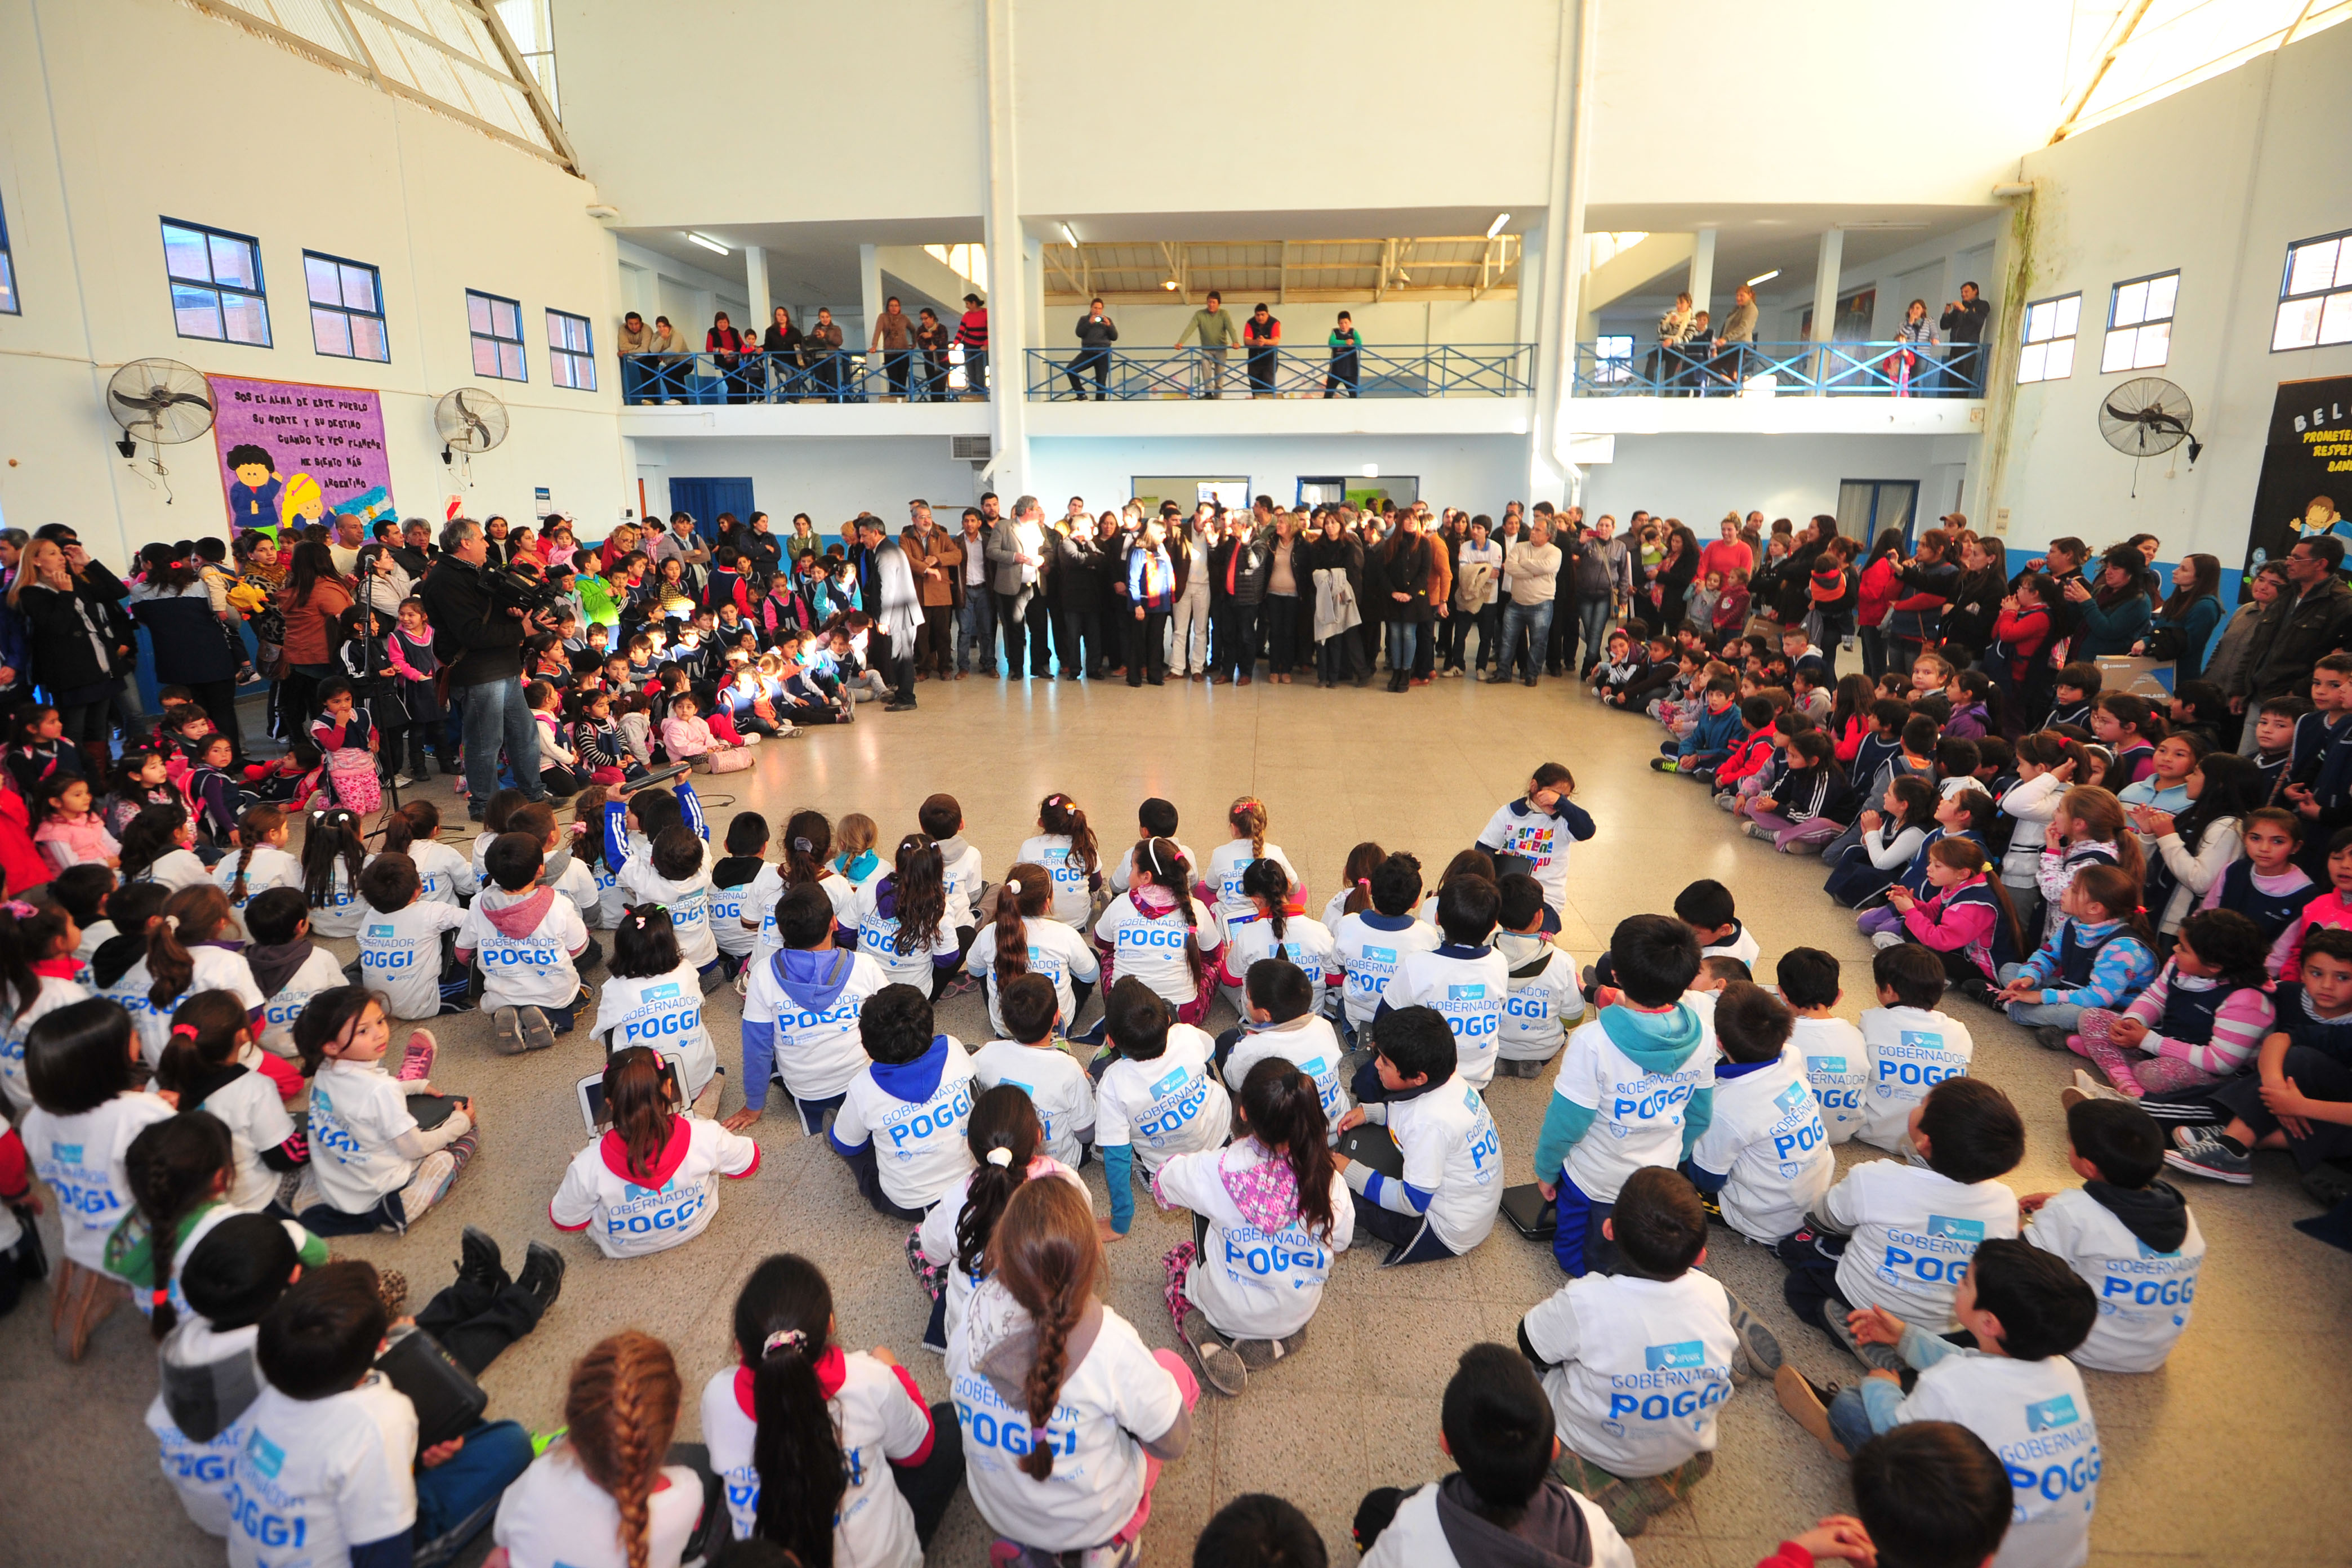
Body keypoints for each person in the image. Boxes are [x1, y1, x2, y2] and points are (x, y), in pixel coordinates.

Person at [1775, 1240, 2100, 1568]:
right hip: (2063, 1559)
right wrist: (1906, 1337)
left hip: (1960, 1552)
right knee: (1919, 1387)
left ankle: (1840, 1434)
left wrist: (1879, 1388)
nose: (1958, 1281)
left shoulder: (1949, 1384)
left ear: (1988, 1323)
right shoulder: (2064, 1370)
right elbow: (1971, 1362)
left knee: (1852, 1405)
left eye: (1966, 1281)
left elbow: (1897, 1442)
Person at [947, 1177, 1197, 1562]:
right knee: (1173, 1370)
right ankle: (1108, 1543)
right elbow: (1173, 1442)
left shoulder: (970, 1316)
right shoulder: (1111, 1343)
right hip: (1092, 1517)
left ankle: (1031, 1549)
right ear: (1090, 1262)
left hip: (1000, 1509)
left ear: (1002, 1253)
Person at [1516, 1166, 1738, 1538]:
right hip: (1685, 1446)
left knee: (1527, 1370)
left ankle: (1582, 1476)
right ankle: (1660, 1479)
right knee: (1700, 1448)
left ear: (1609, 1231)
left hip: (1590, 1442)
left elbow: (1528, 1340)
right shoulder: (1715, 1294)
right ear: (1700, 1255)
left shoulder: (1588, 1299)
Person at [703, 1253, 962, 1561]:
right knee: (947, 1422)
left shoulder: (717, 1396)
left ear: (739, 1346)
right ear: (830, 1324)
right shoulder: (868, 1379)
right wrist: (894, 1371)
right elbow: (918, 1451)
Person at [1152, 1055, 1352, 1395]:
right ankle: (1280, 1338)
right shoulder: (1330, 1182)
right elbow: (1343, 1241)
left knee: (1180, 1260)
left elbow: (1163, 1184)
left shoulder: (1214, 1170)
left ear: (1244, 1112)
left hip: (1226, 1309)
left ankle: (1202, 1334)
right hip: (1296, 1308)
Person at [1775, 1076, 2024, 1347]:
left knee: (1799, 1256)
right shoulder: (2005, 1203)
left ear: (1924, 1143)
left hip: (1863, 1300)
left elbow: (1824, 1218)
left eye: (1922, 1104)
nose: (1917, 1106)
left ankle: (1859, 1329)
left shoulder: (1876, 1178)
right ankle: (1919, 1348)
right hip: (1942, 1327)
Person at [1534, 915, 1714, 1276]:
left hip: (1594, 1179)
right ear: (1688, 979)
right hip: (1655, 1181)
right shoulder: (1705, 1037)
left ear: (1614, 974)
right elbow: (1700, 1116)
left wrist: (1546, 1169)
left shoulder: (1593, 1042)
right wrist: (1673, 1157)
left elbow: (1566, 1123)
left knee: (1575, 1251)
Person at [1355, 1343, 1636, 1568]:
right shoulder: (1592, 1524)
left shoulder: (1414, 1524)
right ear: (1554, 1449)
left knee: (1376, 1508)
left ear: (1446, 1444)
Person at [491, 1330, 711, 1568]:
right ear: (675, 1416)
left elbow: (503, 1538)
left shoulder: (540, 1477)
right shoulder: (687, 1492)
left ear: (574, 1433)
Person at [2022, 1095, 2204, 1373]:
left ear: (2089, 1166)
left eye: (2071, 1143)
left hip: (2088, 1347)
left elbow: (2023, 1256)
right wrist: (2067, 1206)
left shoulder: (2071, 1211)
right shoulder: (2183, 1212)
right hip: (2154, 1352)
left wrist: (2005, 1215)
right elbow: (2114, 1227)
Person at [289, 986, 476, 1234]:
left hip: (336, 1180)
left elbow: (365, 1098)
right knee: (461, 1140)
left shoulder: (324, 1070)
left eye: (380, 1021)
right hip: (379, 1186)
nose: (380, 1034)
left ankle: (315, 1193)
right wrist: (460, 1122)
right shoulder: (382, 1090)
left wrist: (414, 1086)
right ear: (331, 1046)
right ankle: (407, 1203)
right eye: (364, 1031)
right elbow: (415, 1147)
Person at [1332, 1004, 1503, 1265]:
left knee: (1333, 1186)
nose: (1376, 1064)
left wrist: (1350, 1172)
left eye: (1386, 1062)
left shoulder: (1429, 1124)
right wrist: (1375, 1113)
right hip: (1471, 1208)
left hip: (1441, 1229)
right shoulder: (1450, 1078)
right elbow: (1409, 1111)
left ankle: (1354, 1225)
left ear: (1419, 1078)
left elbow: (1412, 1203)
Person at [551, 1046, 758, 1258]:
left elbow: (567, 1220)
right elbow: (748, 1164)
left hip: (621, 1247)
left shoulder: (588, 1165)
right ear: (669, 1088)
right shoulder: (706, 1135)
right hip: (695, 1224)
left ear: (610, 1104)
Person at [733, 882, 890, 1134]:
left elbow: (756, 1048)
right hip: (863, 1079)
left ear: (782, 931)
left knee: (770, 1048)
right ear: (834, 924)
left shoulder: (762, 973)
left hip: (807, 1092)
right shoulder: (865, 965)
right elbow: (892, 1025)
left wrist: (753, 1106)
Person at [1684, 981, 1834, 1244]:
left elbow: (1707, 1179)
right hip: (1813, 1198)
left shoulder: (1726, 1107)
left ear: (1719, 1041)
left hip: (1764, 1220)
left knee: (1670, 1159)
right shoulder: (1792, 1056)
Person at [419, 518, 548, 820]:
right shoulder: (445, 579)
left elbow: (488, 614)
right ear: (465, 543)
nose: (487, 543)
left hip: (503, 666)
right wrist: (522, 631)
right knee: (484, 741)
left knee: (524, 734)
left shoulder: (476, 570)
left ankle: (533, 795)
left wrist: (512, 614)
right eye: (481, 538)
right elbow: (471, 633)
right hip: (478, 672)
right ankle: (484, 805)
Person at [1094, 976, 1232, 1237]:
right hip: (1220, 1137)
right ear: (1168, 1020)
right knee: (1204, 1070)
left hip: (1167, 1168)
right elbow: (1211, 1053)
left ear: (1111, 1041)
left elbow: (1116, 1157)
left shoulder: (1112, 1084)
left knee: (1114, 1137)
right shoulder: (1186, 1034)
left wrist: (1120, 1221)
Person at [827, 984, 975, 1219]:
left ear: (866, 1044)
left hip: (909, 1206)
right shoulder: (954, 1047)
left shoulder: (862, 1086)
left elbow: (848, 1146)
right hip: (973, 1188)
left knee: (846, 1139)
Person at [1174, 289, 1239, 398]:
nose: (1211, 305)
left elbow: (1231, 328)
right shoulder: (1200, 314)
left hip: (1221, 349)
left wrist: (1235, 341)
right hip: (1207, 349)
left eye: (1214, 302)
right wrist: (1181, 342)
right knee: (1204, 363)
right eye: (1209, 302)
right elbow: (1190, 328)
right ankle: (1208, 392)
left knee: (1219, 376)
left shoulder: (1224, 314)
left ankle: (1218, 398)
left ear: (1219, 304)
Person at [1938, 281, 1991, 397]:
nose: (1963, 294)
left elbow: (1979, 320)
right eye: (1962, 292)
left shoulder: (1982, 305)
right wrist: (1946, 313)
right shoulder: (1958, 309)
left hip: (1968, 349)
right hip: (1954, 349)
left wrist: (1965, 310)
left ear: (1975, 291)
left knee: (1964, 379)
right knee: (1952, 380)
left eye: (1966, 291)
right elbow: (1944, 326)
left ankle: (1962, 404)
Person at [1067, 296, 1117, 399]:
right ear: (1091, 308)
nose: (1097, 311)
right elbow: (1079, 333)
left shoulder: (1108, 321)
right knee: (1070, 369)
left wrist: (1109, 325)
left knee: (1101, 381)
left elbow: (1115, 337)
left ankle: (1100, 404)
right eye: (1095, 308)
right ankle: (1081, 394)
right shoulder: (1084, 319)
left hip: (1103, 354)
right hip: (1087, 353)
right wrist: (1089, 323)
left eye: (1099, 308)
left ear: (1102, 310)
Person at [870, 294, 916, 400]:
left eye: (896, 305)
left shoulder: (904, 318)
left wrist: (914, 343)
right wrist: (874, 346)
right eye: (891, 305)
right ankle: (893, 400)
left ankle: (902, 400)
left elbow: (913, 330)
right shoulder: (883, 317)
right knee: (893, 378)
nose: (894, 308)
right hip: (890, 353)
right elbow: (877, 331)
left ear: (900, 307)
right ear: (888, 307)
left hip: (904, 352)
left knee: (902, 378)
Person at [1243, 302, 1281, 395]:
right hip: (1254, 360)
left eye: (1263, 315)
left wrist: (1264, 341)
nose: (1260, 317)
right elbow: (1246, 340)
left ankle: (1268, 406)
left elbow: (1276, 340)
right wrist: (1256, 342)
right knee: (1254, 385)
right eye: (1258, 315)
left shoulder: (1275, 323)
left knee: (1268, 384)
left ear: (1267, 314)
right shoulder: (1250, 323)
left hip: (1269, 360)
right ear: (1255, 315)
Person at [1324, 310, 1362, 398]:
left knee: (1354, 395)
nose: (1344, 325)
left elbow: (1359, 342)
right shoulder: (1335, 332)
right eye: (1341, 323)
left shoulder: (1354, 332)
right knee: (1328, 395)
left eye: (1346, 323)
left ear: (1350, 322)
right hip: (1336, 370)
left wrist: (1353, 342)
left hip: (1350, 370)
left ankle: (1356, 410)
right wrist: (1345, 342)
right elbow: (1331, 342)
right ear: (1338, 323)